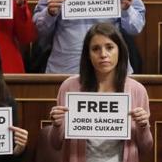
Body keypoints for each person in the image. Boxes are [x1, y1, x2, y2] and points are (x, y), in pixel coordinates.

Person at [48, 23, 153, 161]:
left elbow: (146, 147)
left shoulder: (137, 90)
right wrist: (57, 126)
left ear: (120, 50)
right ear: (88, 55)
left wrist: (143, 126)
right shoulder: (69, 87)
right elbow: (56, 144)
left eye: (109, 47)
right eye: (96, 49)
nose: (103, 54)